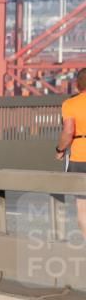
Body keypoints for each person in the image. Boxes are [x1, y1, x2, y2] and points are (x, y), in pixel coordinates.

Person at [56, 67, 86, 238]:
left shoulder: (70, 104)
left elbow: (68, 132)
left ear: (77, 85)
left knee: (83, 206)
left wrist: (60, 150)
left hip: (81, 156)